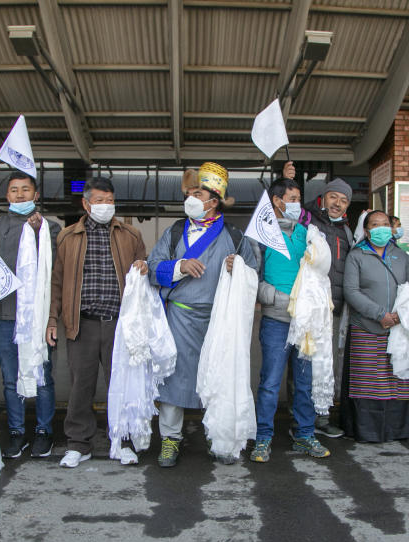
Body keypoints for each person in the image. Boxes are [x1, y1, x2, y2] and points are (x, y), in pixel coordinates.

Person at [147, 162, 258, 468]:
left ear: (215, 199)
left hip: (219, 321)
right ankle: (170, 438)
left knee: (219, 377)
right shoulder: (173, 232)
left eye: (198, 193)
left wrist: (241, 270)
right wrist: (179, 267)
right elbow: (153, 267)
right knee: (173, 379)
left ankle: (217, 436)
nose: (192, 198)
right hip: (179, 318)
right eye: (190, 192)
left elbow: (254, 274)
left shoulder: (235, 236)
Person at [46, 176, 147, 468]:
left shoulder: (130, 234)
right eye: (100, 201)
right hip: (82, 323)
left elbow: (144, 268)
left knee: (122, 384)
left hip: (120, 322)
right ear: (86, 203)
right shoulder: (67, 237)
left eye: (110, 201)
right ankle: (79, 444)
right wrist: (53, 319)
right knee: (81, 386)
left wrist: (144, 265)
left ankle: (123, 441)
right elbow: (56, 283)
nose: (106, 206)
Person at [0, 172, 61, 459]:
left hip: (39, 318)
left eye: (25, 190)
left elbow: (57, 267)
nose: (19, 195)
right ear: (7, 196)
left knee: (42, 376)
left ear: (36, 195)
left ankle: (44, 432)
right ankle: (17, 432)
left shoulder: (51, 228)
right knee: (10, 378)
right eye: (14, 190)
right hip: (5, 316)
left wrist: (37, 232)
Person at [251, 177, 330, 463]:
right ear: (277, 201)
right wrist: (275, 298)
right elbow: (251, 279)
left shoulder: (307, 234)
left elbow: (320, 272)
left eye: (298, 199)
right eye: (292, 199)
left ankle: (305, 434)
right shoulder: (260, 235)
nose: (297, 204)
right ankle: (263, 438)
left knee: (304, 382)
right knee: (270, 382)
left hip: (305, 322)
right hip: (275, 320)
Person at [286, 165, 353, 439]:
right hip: (307, 305)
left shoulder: (348, 232)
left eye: (344, 200)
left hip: (333, 307)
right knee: (302, 361)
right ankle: (298, 418)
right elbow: (282, 207)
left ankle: (321, 417)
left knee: (327, 363)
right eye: (333, 197)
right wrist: (287, 180)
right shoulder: (307, 220)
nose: (337, 204)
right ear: (323, 198)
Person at [340, 211, 409, 442]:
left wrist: (400, 315)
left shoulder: (401, 255)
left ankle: (396, 430)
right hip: (366, 328)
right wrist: (379, 314)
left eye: (385, 224)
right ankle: (367, 431)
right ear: (366, 231)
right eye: (375, 224)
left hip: (398, 329)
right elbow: (351, 291)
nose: (382, 228)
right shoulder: (357, 256)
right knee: (368, 382)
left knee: (396, 381)